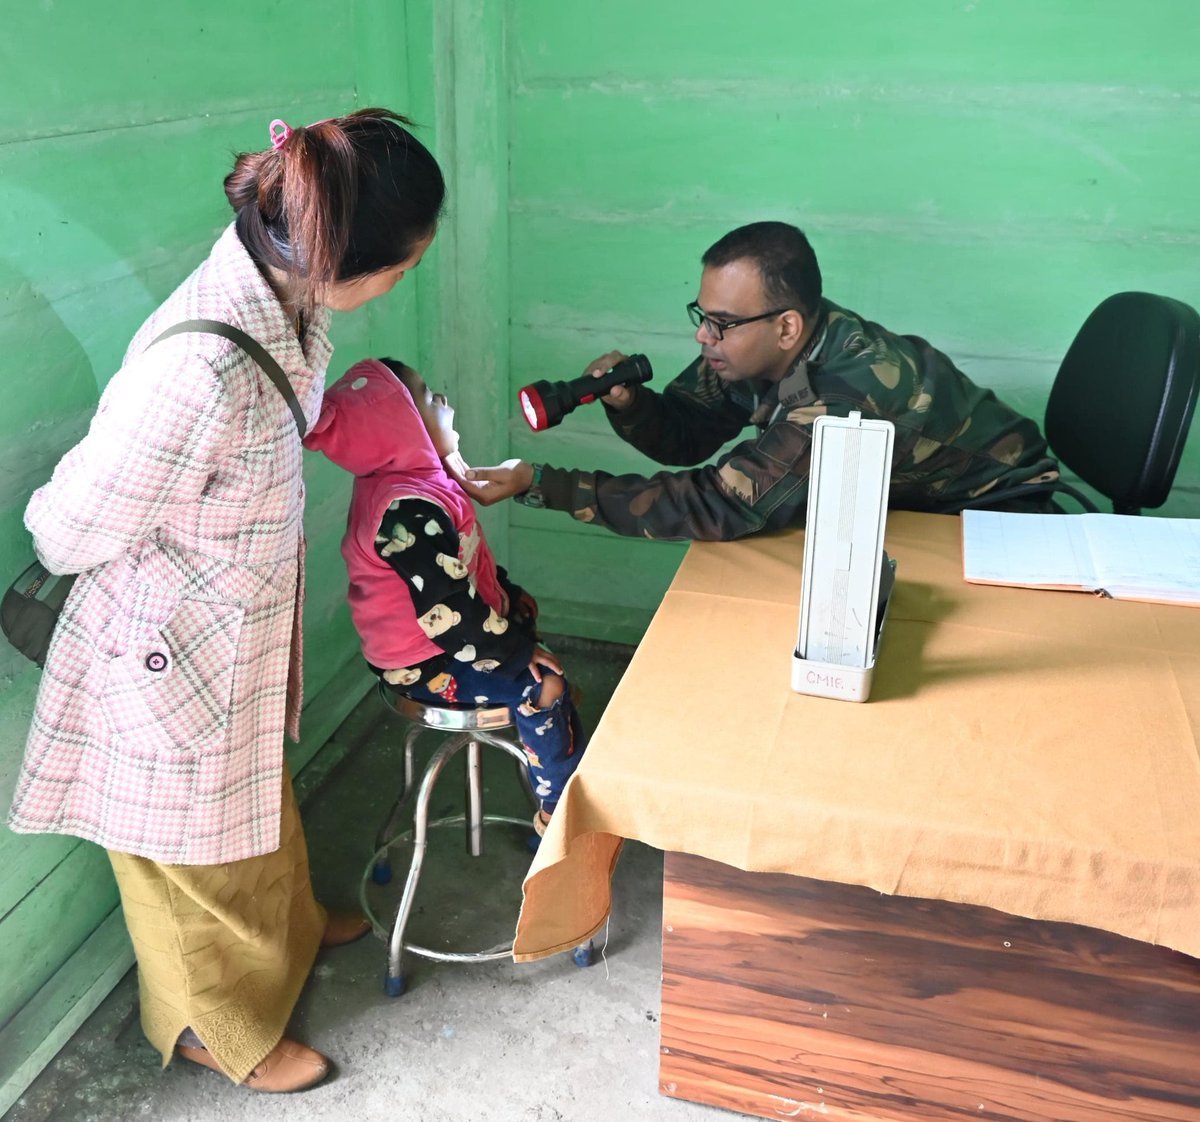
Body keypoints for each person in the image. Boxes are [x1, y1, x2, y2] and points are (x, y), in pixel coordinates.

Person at [5, 109, 445, 1093]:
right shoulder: (195, 375)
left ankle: (289, 929)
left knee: (249, 805)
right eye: (406, 262)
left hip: (230, 627)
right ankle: (218, 1029)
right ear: (341, 255)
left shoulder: (286, 288)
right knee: (186, 865)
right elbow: (65, 531)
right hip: (164, 650)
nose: (406, 276)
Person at [461, 221, 1060, 539]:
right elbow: (690, 436)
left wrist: (543, 483)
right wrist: (631, 404)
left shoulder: (841, 399)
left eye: (720, 324)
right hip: (905, 504)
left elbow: (718, 504)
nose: (703, 338)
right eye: (702, 317)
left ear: (787, 325)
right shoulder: (756, 346)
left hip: (995, 518)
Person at [303, 357, 586, 832]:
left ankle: (549, 742)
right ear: (402, 427)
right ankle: (558, 818)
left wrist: (508, 596)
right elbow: (451, 613)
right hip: (426, 661)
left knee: (524, 616)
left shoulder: (414, 485)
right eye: (431, 397)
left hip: (444, 639)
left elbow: (462, 569)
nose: (445, 401)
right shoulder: (405, 510)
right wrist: (516, 651)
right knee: (546, 682)